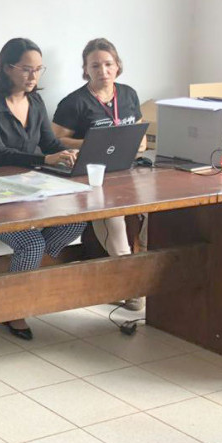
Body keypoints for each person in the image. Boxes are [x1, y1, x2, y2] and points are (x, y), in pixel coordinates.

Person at [0, 38, 87, 339]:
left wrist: (70, 154)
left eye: (38, 69)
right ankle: (13, 308)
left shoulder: (35, 102)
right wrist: (45, 159)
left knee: (77, 221)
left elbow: (50, 143)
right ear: (7, 68)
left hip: (27, 188)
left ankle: (21, 277)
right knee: (31, 243)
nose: (33, 76)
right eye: (26, 69)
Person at [52, 38, 147, 311]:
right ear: (86, 69)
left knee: (158, 209)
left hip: (128, 169)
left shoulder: (128, 94)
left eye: (108, 64)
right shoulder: (74, 102)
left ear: (117, 66)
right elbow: (55, 140)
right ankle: (132, 287)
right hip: (93, 175)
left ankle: (145, 269)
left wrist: (138, 142)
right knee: (114, 218)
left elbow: (139, 130)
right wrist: (93, 142)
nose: (103, 71)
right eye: (95, 66)